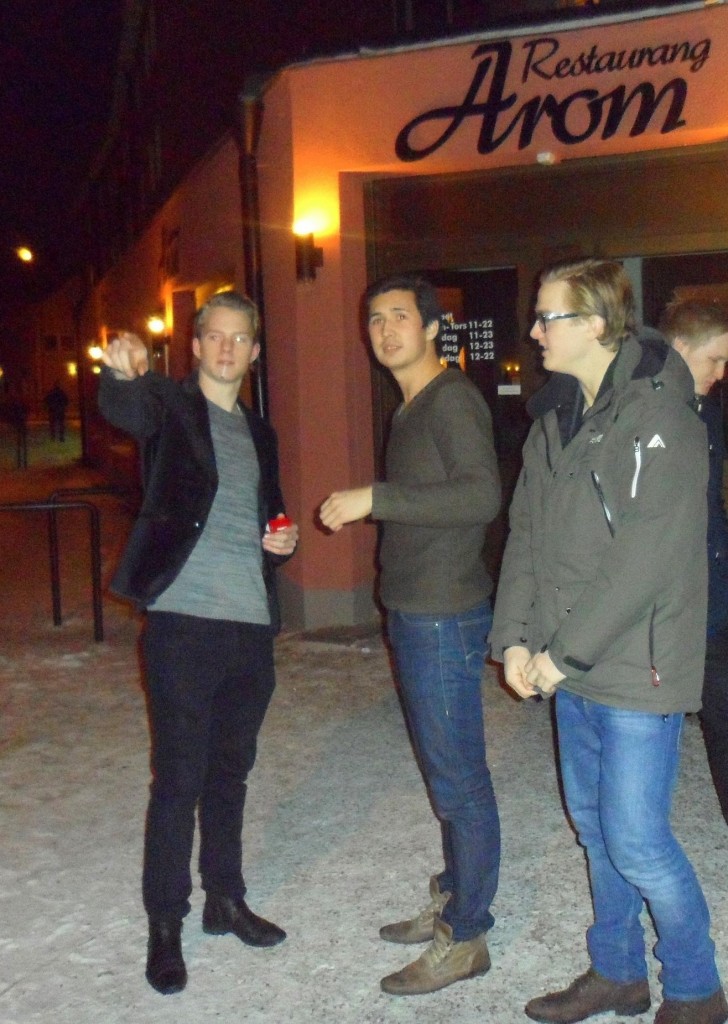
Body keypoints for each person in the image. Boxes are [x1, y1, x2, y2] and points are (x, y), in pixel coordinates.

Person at [490, 258, 726, 1024]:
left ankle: (696, 991)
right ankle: (617, 973)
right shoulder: (556, 418)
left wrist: (560, 655)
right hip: (571, 664)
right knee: (595, 829)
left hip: (636, 666)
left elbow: (645, 559)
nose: (534, 331)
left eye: (548, 316)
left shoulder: (663, 418)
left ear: (595, 324)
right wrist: (516, 638)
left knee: (637, 840)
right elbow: (525, 534)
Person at [98, 291, 298, 996]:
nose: (226, 348)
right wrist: (121, 371)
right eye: (214, 335)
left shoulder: (260, 432)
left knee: (229, 774)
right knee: (178, 780)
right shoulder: (171, 408)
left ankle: (225, 898)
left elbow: (268, 514)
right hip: (183, 624)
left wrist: (282, 541)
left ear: (254, 351)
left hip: (249, 627)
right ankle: (165, 923)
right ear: (195, 344)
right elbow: (128, 408)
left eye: (239, 338)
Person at [320, 274, 502, 996]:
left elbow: (482, 494)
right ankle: (456, 896)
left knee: (459, 779)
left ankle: (468, 935)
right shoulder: (411, 408)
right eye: (375, 319)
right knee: (445, 770)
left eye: (400, 317)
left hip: (443, 615)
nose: (385, 330)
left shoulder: (451, 399)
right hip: (417, 610)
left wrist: (377, 497)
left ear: (432, 327)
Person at [661, 297, 728, 827]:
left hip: (714, 579)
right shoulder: (652, 412)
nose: (721, 372)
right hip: (677, 592)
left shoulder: (707, 407)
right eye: (715, 359)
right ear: (680, 348)